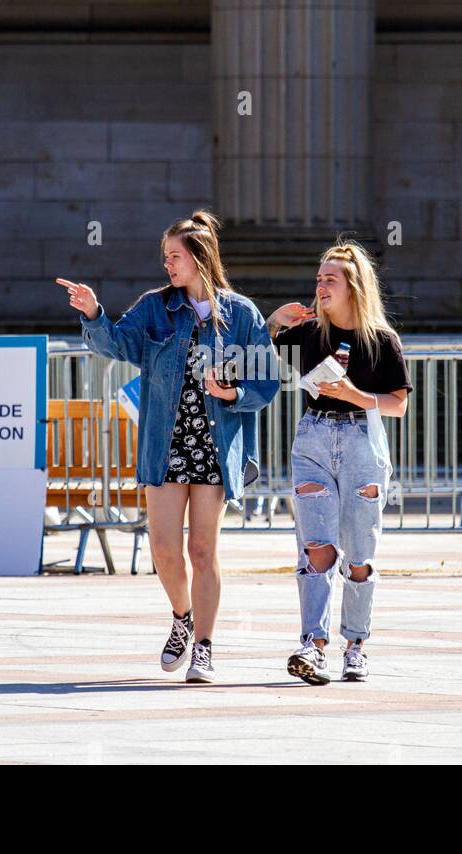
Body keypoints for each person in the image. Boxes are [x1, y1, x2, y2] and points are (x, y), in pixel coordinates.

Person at [57, 211, 280, 683]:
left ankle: (204, 648)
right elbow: (117, 345)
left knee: (203, 549)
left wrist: (233, 394)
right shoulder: (156, 307)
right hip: (166, 443)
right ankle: (183, 616)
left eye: (175, 256)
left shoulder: (242, 315)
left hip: (216, 447)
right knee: (162, 547)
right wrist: (95, 313)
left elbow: (268, 381)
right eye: (165, 258)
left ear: (201, 258)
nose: (168, 266)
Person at [267, 240, 412, 684]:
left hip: (361, 441)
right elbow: (254, 346)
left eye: (330, 279)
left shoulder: (382, 340)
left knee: (359, 555)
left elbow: (398, 404)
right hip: (313, 436)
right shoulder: (310, 333)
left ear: (354, 286)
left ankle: (356, 645)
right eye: (318, 278)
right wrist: (275, 321)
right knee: (316, 547)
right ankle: (313, 644)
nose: (321, 285)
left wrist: (355, 395)